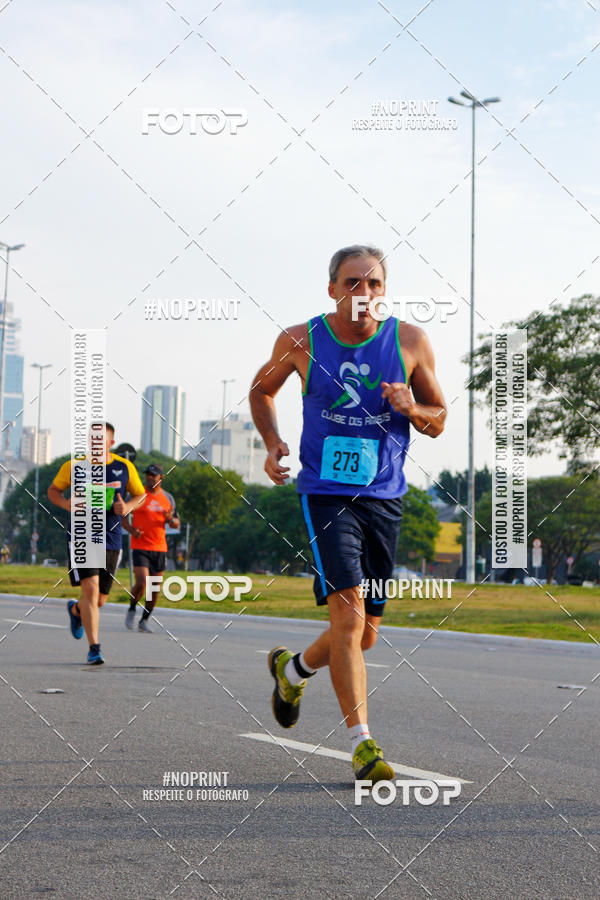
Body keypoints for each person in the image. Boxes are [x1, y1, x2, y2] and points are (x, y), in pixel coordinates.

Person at [250, 245, 446, 784]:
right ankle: (363, 745)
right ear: (333, 289)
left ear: (385, 291)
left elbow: (440, 419)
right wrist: (272, 443)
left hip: (384, 495)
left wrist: (412, 410)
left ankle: (293, 671)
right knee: (348, 613)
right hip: (324, 494)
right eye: (352, 283)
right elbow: (261, 389)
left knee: (364, 636)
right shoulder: (300, 339)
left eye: (374, 283)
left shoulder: (409, 342)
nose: (364, 293)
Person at [48, 422, 145, 664]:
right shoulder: (74, 466)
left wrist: (128, 507)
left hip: (111, 538)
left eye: (102, 439)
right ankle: (94, 648)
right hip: (82, 535)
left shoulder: (124, 468)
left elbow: (140, 494)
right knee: (90, 591)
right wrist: (66, 504)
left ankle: (75, 610)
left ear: (111, 443)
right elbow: (53, 491)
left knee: (99, 599)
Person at [122, 463, 180, 632]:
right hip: (140, 545)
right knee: (141, 581)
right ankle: (132, 608)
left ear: (161, 477)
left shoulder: (168, 498)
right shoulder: (138, 495)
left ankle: (144, 620)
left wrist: (170, 520)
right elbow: (123, 516)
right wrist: (132, 530)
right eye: (147, 474)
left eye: (153, 475)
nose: (149, 477)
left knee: (154, 589)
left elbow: (176, 523)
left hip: (159, 548)